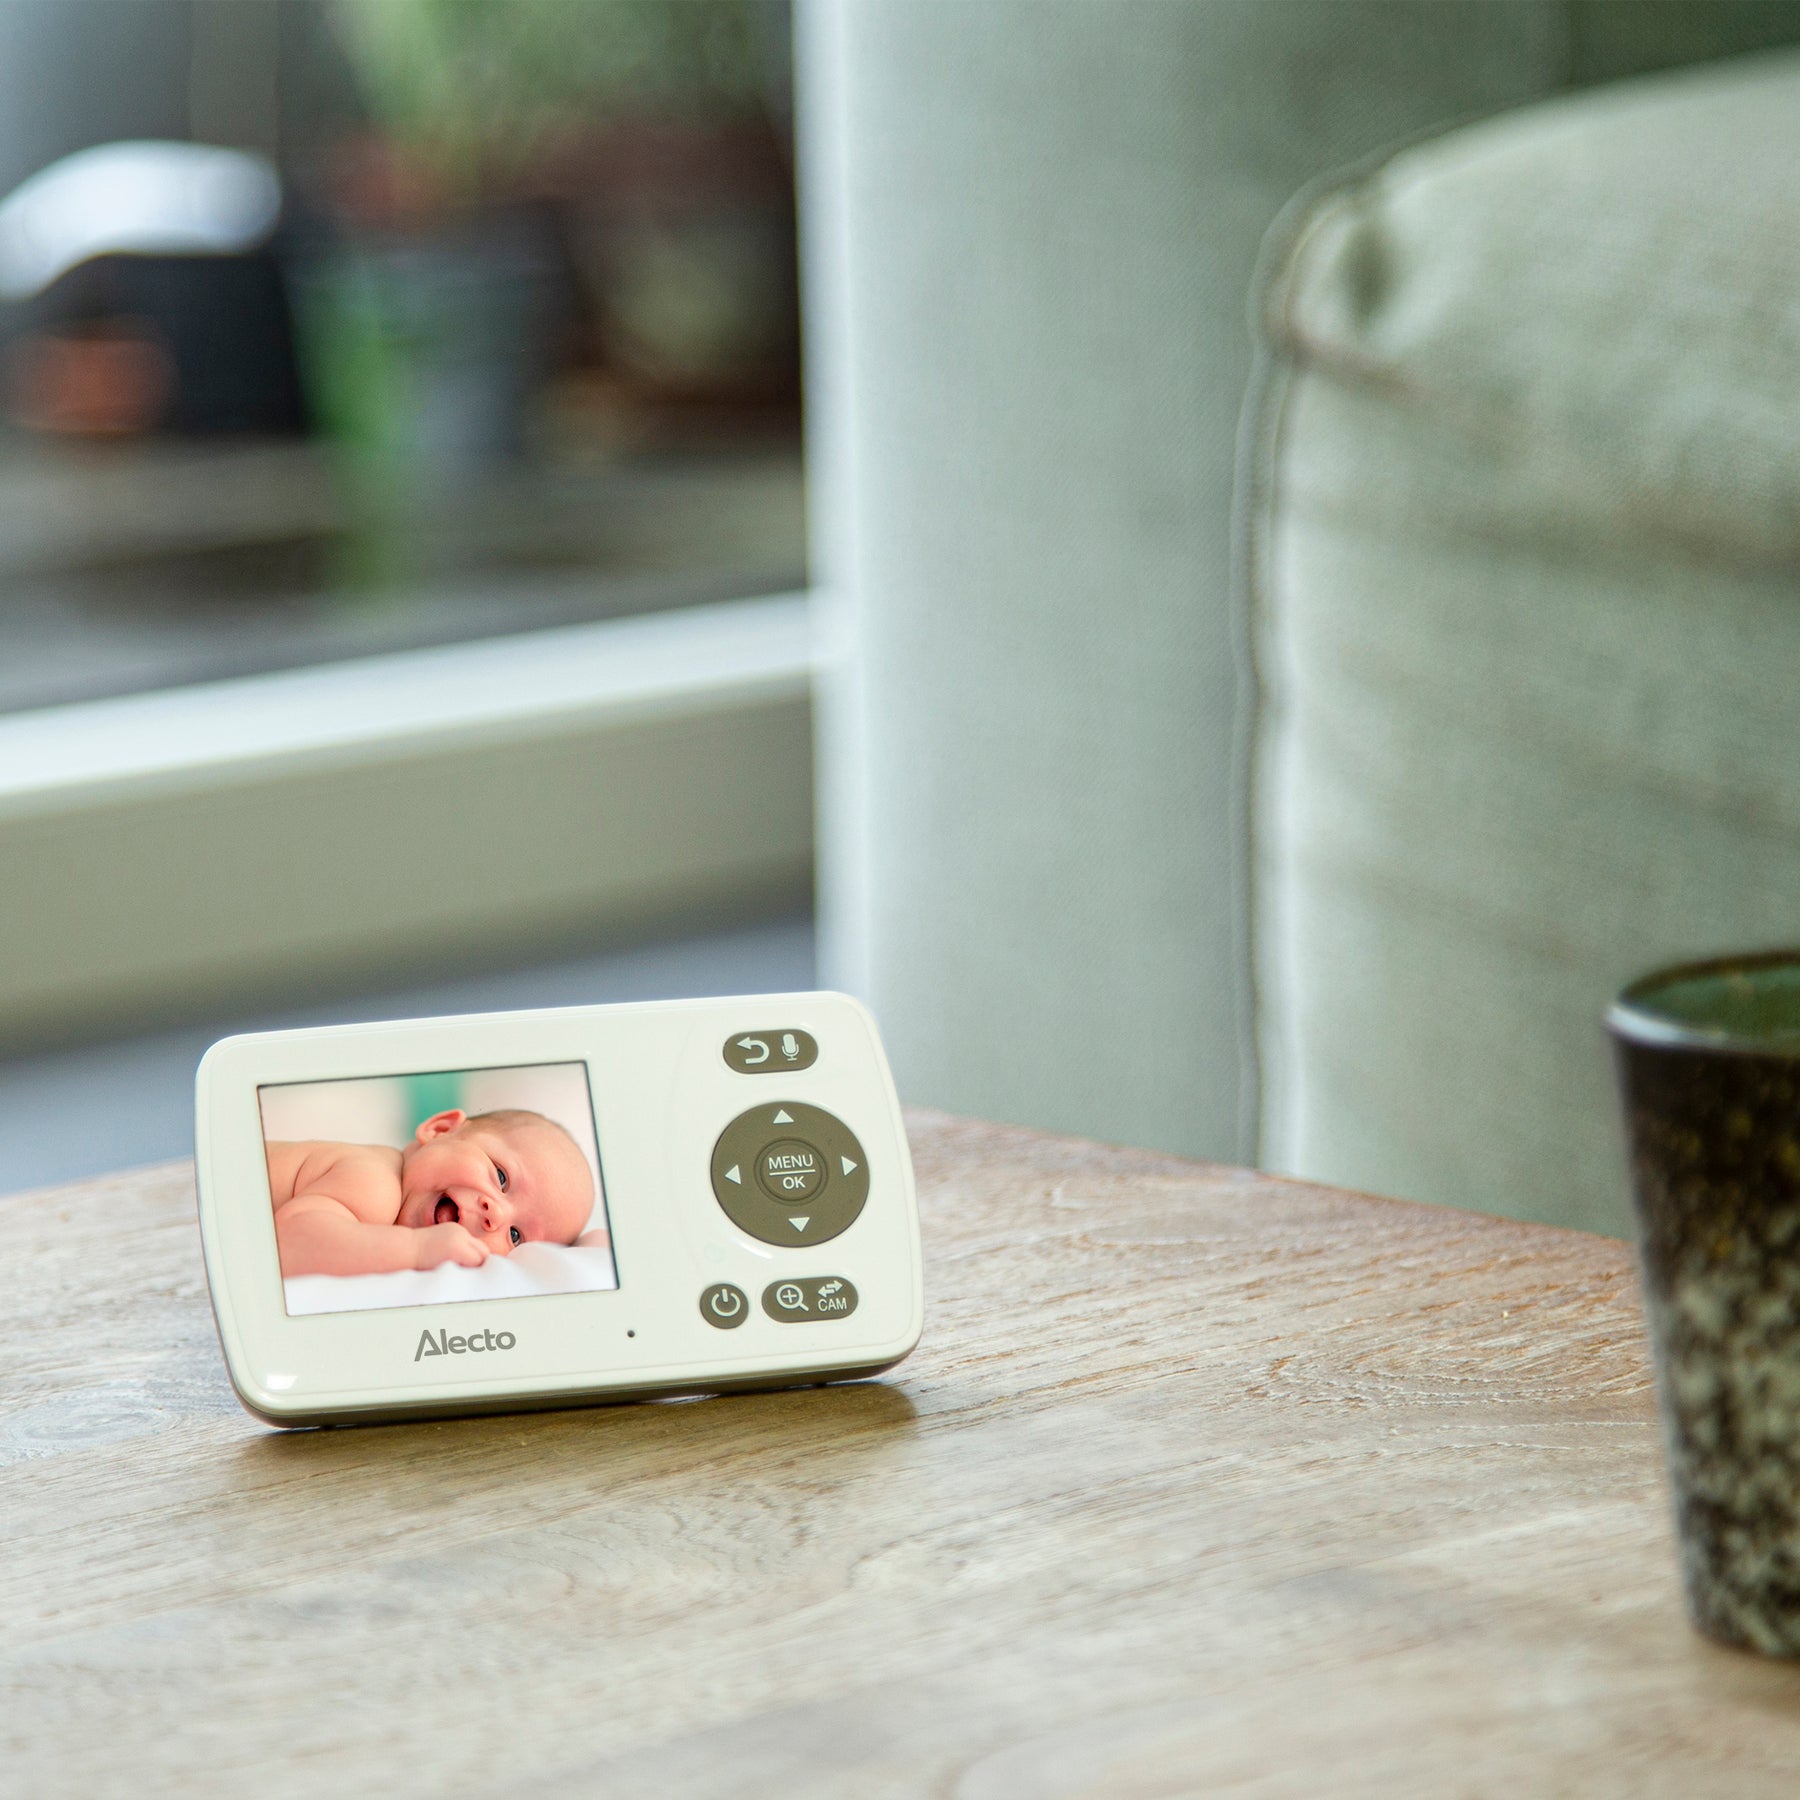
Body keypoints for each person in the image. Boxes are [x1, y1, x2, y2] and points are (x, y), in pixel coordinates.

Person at [265, 1107, 594, 1279]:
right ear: (441, 1130)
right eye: (501, 1177)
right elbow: (289, 1245)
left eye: (515, 1235)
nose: (496, 1215)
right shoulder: (377, 1183)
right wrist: (417, 1250)